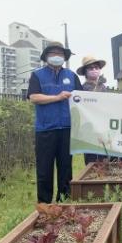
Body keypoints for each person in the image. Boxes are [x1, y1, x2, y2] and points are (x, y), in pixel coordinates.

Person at [27, 42, 82, 204]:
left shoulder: (71, 76)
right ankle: (44, 204)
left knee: (65, 168)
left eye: (60, 53)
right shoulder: (38, 75)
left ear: (64, 57)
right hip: (45, 129)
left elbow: (82, 99)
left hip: (67, 128)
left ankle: (64, 200)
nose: (57, 56)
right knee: (44, 169)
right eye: (53, 53)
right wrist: (57, 97)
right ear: (46, 57)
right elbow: (33, 97)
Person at [76, 55, 109, 165]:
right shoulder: (82, 89)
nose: (94, 70)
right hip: (89, 128)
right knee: (92, 158)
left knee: (105, 157)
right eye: (91, 68)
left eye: (96, 67)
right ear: (85, 72)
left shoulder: (104, 87)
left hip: (104, 126)